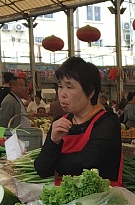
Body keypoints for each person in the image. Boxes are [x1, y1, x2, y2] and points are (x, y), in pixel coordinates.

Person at [34, 56, 123, 185]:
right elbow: (41, 169)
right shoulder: (60, 122)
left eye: (69, 87)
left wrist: (54, 165)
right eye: (60, 86)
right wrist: (53, 141)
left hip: (102, 200)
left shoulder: (107, 122)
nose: (62, 94)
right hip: (66, 199)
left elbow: (88, 161)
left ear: (90, 92)